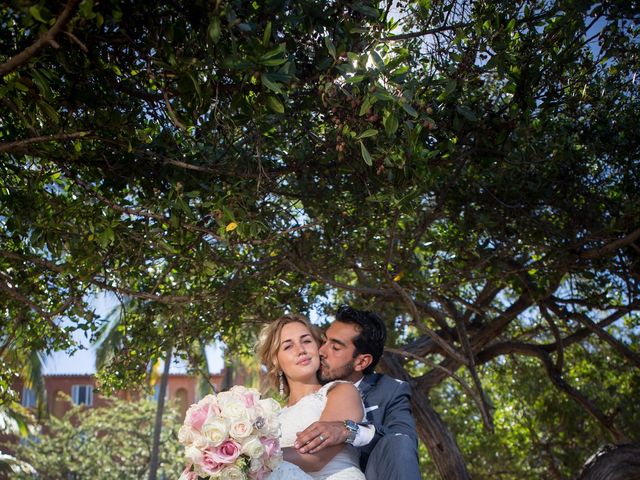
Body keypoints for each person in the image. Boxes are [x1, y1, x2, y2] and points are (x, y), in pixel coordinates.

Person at [293, 306, 421, 480]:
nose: (321, 351)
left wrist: (349, 431)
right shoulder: (308, 380)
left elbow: (403, 442)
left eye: (335, 348)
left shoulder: (390, 390)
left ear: (361, 362)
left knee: (399, 442)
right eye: (324, 341)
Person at [257, 314, 366, 480]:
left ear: (317, 347)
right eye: (288, 346)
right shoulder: (271, 418)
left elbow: (317, 457)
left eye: (306, 341)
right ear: (276, 361)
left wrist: (253, 456)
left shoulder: (341, 391)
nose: (301, 350)